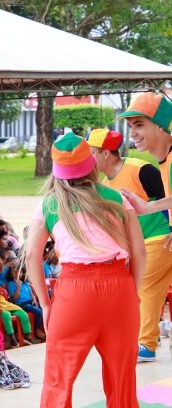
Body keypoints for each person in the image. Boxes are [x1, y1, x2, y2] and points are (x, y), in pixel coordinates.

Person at [15, 133, 146, 408]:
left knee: (58, 384)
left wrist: (44, 302)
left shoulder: (49, 206)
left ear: (58, 172)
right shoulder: (116, 198)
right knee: (122, 386)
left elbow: (32, 259)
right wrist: (129, 294)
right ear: (91, 167)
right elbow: (139, 252)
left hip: (73, 293)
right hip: (118, 287)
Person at [88, 127, 171, 362]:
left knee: (144, 287)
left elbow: (168, 196)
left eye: (92, 152)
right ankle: (148, 341)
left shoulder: (140, 169)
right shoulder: (105, 183)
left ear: (106, 153)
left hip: (160, 237)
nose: (89, 159)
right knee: (150, 290)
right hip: (141, 245)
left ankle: (145, 344)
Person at [6, 260, 45, 340]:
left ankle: (44, 328)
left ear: (22, 273)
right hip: (21, 304)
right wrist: (18, 286)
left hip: (30, 302)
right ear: (11, 273)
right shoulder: (11, 284)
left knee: (44, 309)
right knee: (38, 312)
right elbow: (14, 299)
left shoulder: (25, 283)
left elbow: (31, 294)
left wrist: (34, 298)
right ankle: (37, 330)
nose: (17, 274)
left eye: (19, 272)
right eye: (15, 272)